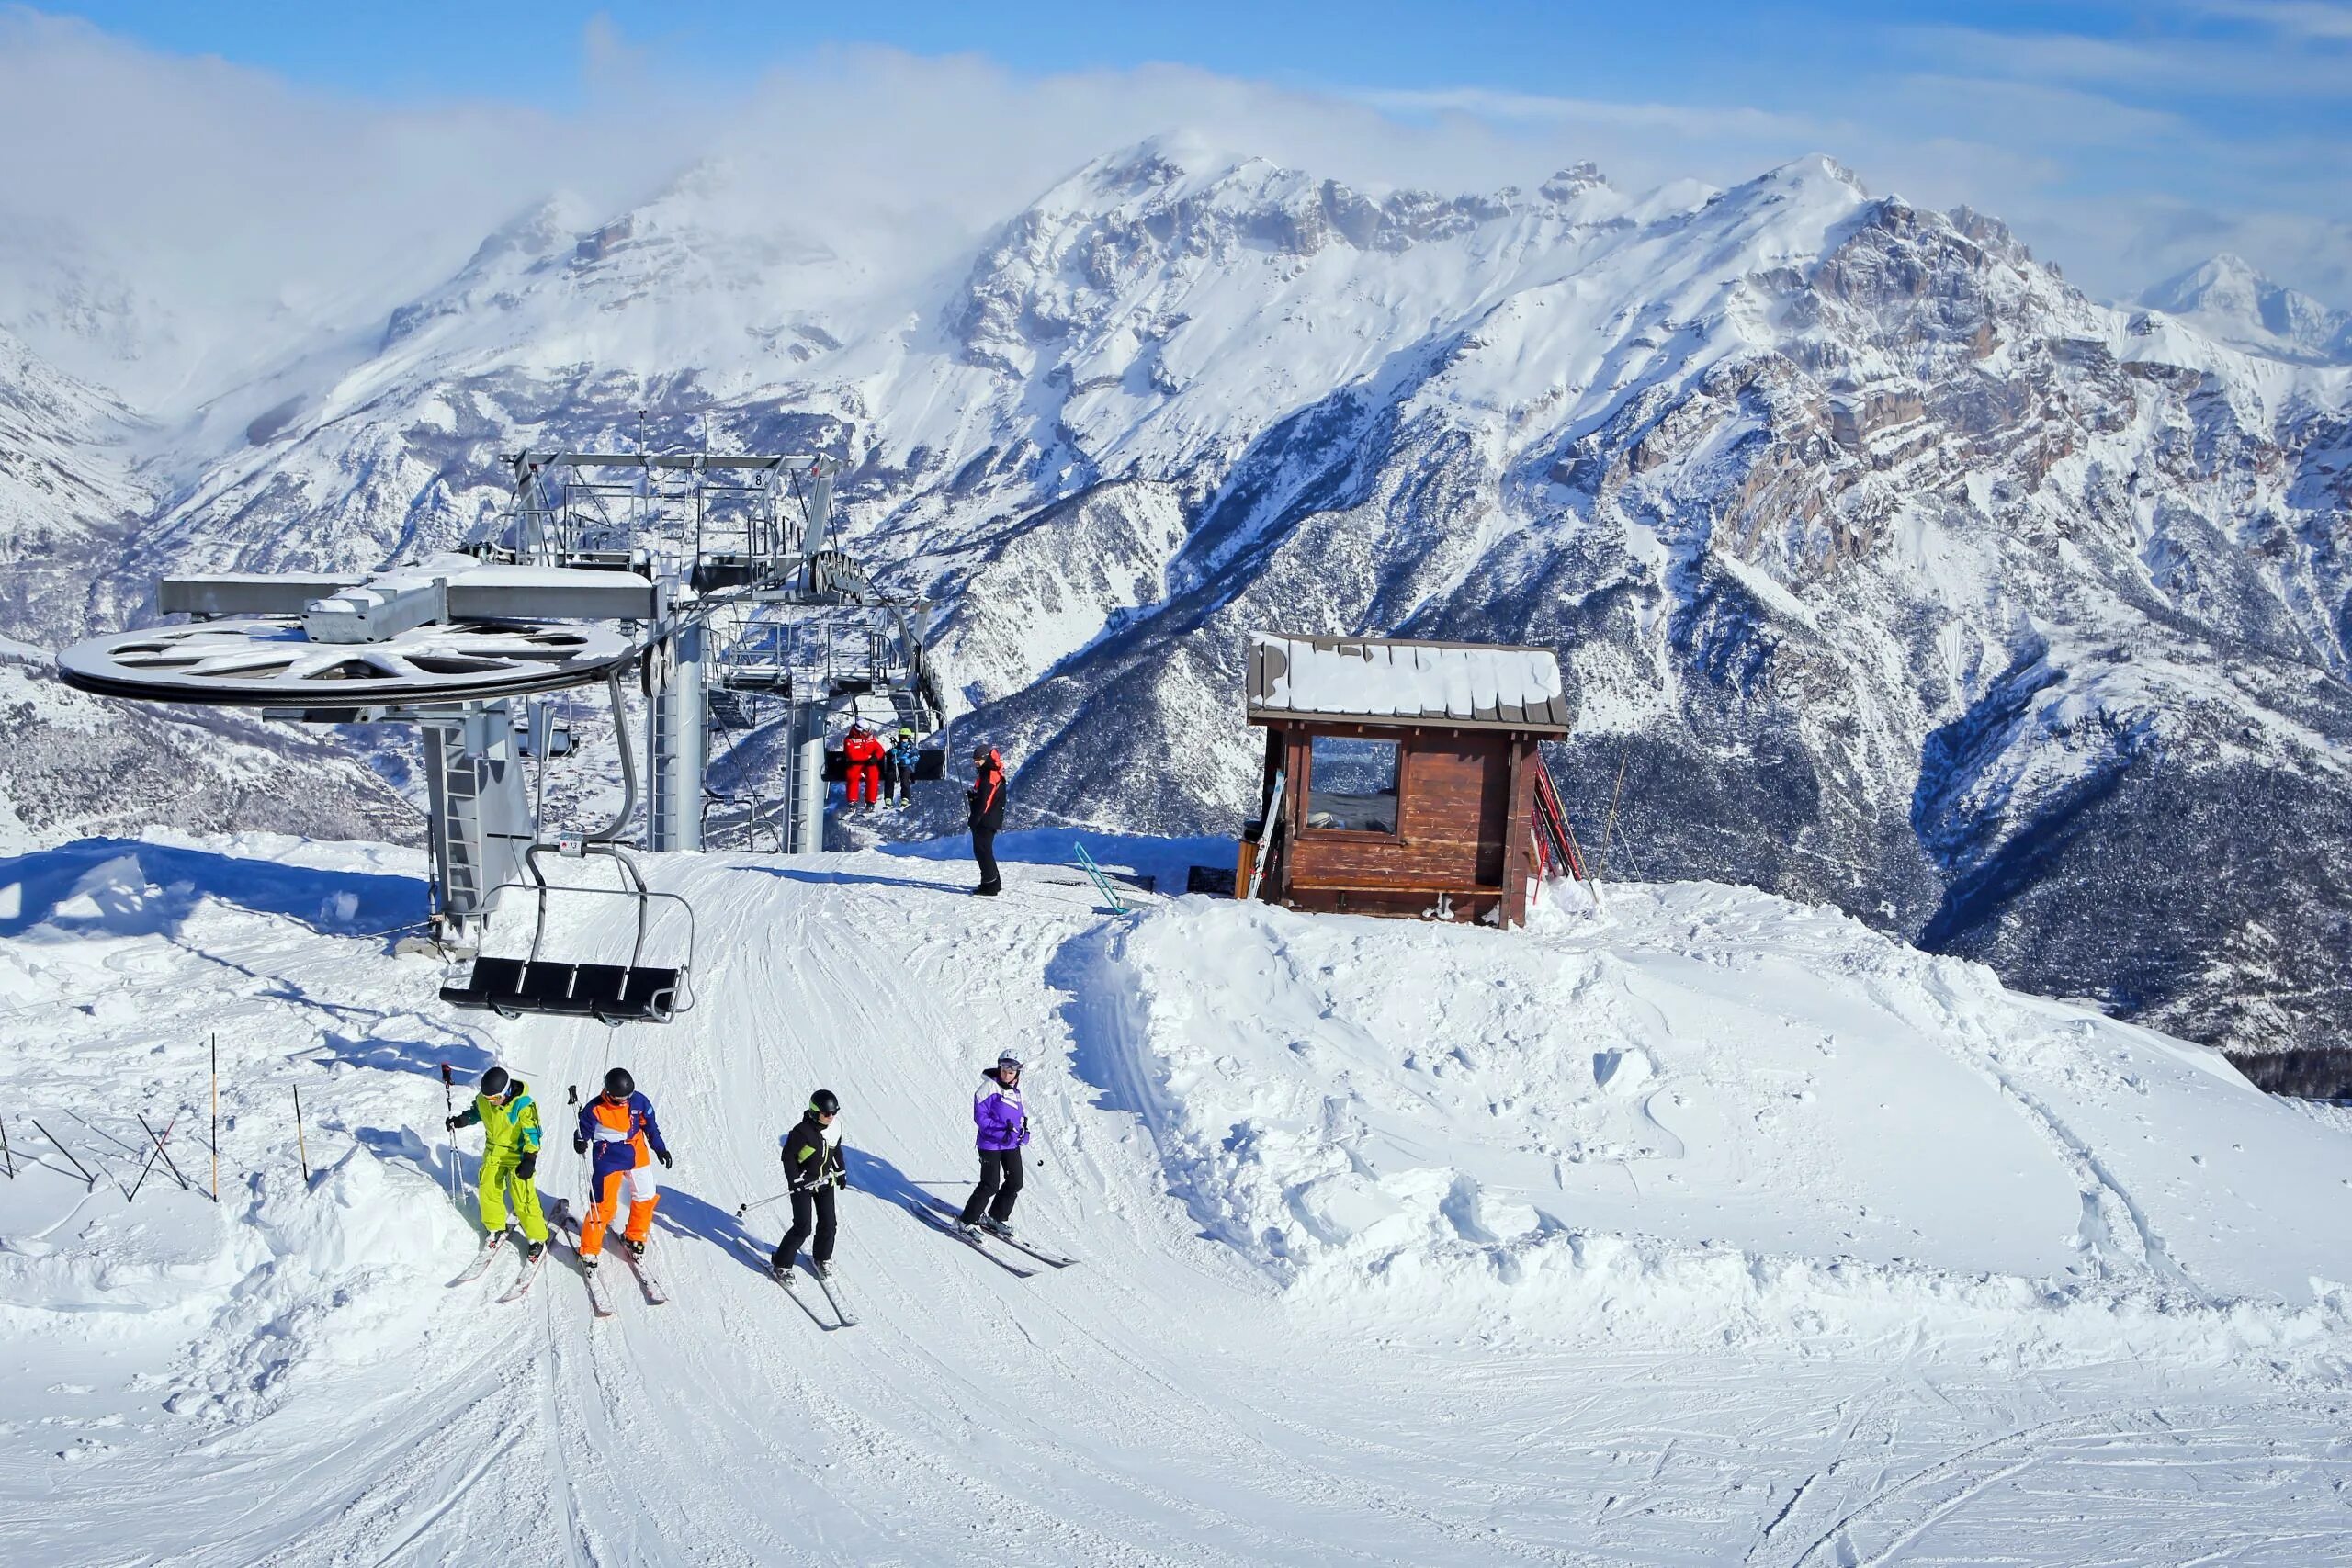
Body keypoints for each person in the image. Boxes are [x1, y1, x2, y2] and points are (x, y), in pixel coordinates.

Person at [447, 1065, 548, 1263]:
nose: (491, 1102)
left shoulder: (523, 1105)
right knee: (487, 1187)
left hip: (519, 1154)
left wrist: (530, 1159)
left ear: (506, 1091)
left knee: (522, 1196)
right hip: (494, 1152)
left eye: (495, 1098)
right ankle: (495, 1227)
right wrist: (461, 1120)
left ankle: (537, 1238)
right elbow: (477, 1112)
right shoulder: (484, 1101)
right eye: (488, 1098)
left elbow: (533, 1134)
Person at [573, 1066, 671, 1272]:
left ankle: (634, 1236)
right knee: (603, 1204)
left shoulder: (639, 1101)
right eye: (620, 1097)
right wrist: (580, 1141)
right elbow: (582, 1131)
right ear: (609, 1093)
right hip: (608, 1158)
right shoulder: (595, 1108)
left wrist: (660, 1149)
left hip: (636, 1154)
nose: (625, 1100)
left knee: (646, 1195)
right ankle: (589, 1249)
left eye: (628, 1095)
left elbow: (651, 1128)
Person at [770, 1089, 847, 1281]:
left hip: (824, 1182)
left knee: (829, 1224)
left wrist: (840, 1172)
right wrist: (795, 1181)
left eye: (833, 1113)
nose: (831, 1117)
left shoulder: (835, 1128)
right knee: (803, 1227)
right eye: (826, 1113)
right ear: (814, 1112)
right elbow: (787, 1157)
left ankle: (821, 1258)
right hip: (803, 1184)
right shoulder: (802, 1132)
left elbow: (835, 1151)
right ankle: (781, 1264)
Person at [957, 1053, 1029, 1237]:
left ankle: (996, 1217)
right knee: (990, 1184)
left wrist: (1023, 1133)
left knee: (1015, 1182)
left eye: (1012, 1069)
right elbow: (980, 1117)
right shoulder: (989, 1087)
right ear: (999, 1067)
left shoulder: (1016, 1092)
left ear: (1017, 1071)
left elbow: (1017, 1119)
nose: (1007, 1073)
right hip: (990, 1144)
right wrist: (999, 1131)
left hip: (1010, 1144)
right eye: (1004, 1068)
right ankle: (966, 1222)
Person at [967, 744, 1006, 896]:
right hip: (990, 817)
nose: (976, 762)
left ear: (986, 758)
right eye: (974, 760)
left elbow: (986, 801)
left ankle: (989, 885)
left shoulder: (989, 774)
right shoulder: (990, 771)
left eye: (978, 759)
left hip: (986, 818)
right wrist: (974, 796)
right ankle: (994, 883)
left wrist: (975, 818)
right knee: (985, 850)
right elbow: (984, 795)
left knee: (982, 851)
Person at [842, 723, 883, 811]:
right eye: (866, 731)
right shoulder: (849, 740)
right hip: (855, 763)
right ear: (860, 731)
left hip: (868, 763)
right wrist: (867, 757)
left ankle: (871, 801)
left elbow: (879, 750)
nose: (868, 733)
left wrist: (876, 757)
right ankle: (852, 801)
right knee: (852, 776)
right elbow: (852, 755)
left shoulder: (870, 739)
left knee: (873, 775)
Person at [882, 727, 920, 810]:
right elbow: (891, 756)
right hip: (897, 767)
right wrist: (893, 756)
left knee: (905, 778)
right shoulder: (896, 747)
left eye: (905, 737)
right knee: (889, 776)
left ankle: (905, 799)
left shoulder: (912, 748)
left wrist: (908, 761)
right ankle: (888, 799)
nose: (903, 739)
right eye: (901, 737)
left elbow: (916, 757)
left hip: (907, 767)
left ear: (908, 738)